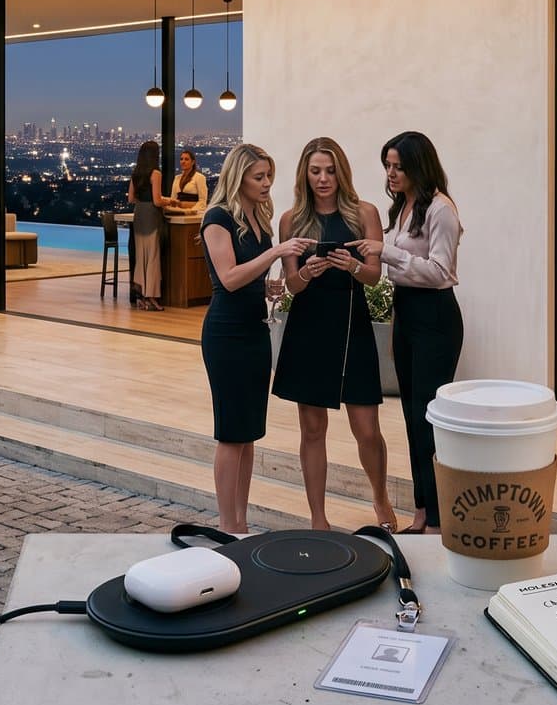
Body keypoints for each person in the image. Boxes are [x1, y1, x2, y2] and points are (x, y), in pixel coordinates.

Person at [271, 138, 397, 532]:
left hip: (351, 326)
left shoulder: (365, 213)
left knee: (367, 429)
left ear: (341, 172)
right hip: (308, 329)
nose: (323, 178)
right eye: (315, 171)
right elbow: (290, 284)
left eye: (329, 170)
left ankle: (380, 499)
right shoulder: (291, 220)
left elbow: (376, 276)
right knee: (312, 430)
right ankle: (318, 518)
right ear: (305, 175)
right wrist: (306, 273)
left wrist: (352, 267)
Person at [351, 131, 464, 535]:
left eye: (398, 166)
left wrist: (387, 251)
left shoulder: (440, 209)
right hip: (407, 312)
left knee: (428, 418)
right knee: (411, 417)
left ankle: (436, 518)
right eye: (388, 166)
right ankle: (422, 511)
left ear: (419, 165)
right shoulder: (402, 207)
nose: (391, 173)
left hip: (435, 315)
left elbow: (441, 272)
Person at [199, 143, 312, 533]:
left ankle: (241, 523)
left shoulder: (257, 216)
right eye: (258, 177)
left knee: (248, 434)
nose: (266, 184)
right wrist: (277, 252)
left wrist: (269, 289)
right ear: (239, 178)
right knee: (231, 433)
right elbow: (229, 279)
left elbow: (249, 278)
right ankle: (226, 524)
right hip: (226, 335)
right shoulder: (218, 218)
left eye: (268, 177)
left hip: (255, 331)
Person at [128, 140, 166, 310]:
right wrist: (170, 201)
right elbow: (158, 201)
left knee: (141, 256)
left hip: (139, 215)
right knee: (153, 256)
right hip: (151, 215)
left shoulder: (135, 173)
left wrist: (142, 202)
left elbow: (131, 199)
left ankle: (140, 294)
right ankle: (151, 296)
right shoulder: (155, 173)